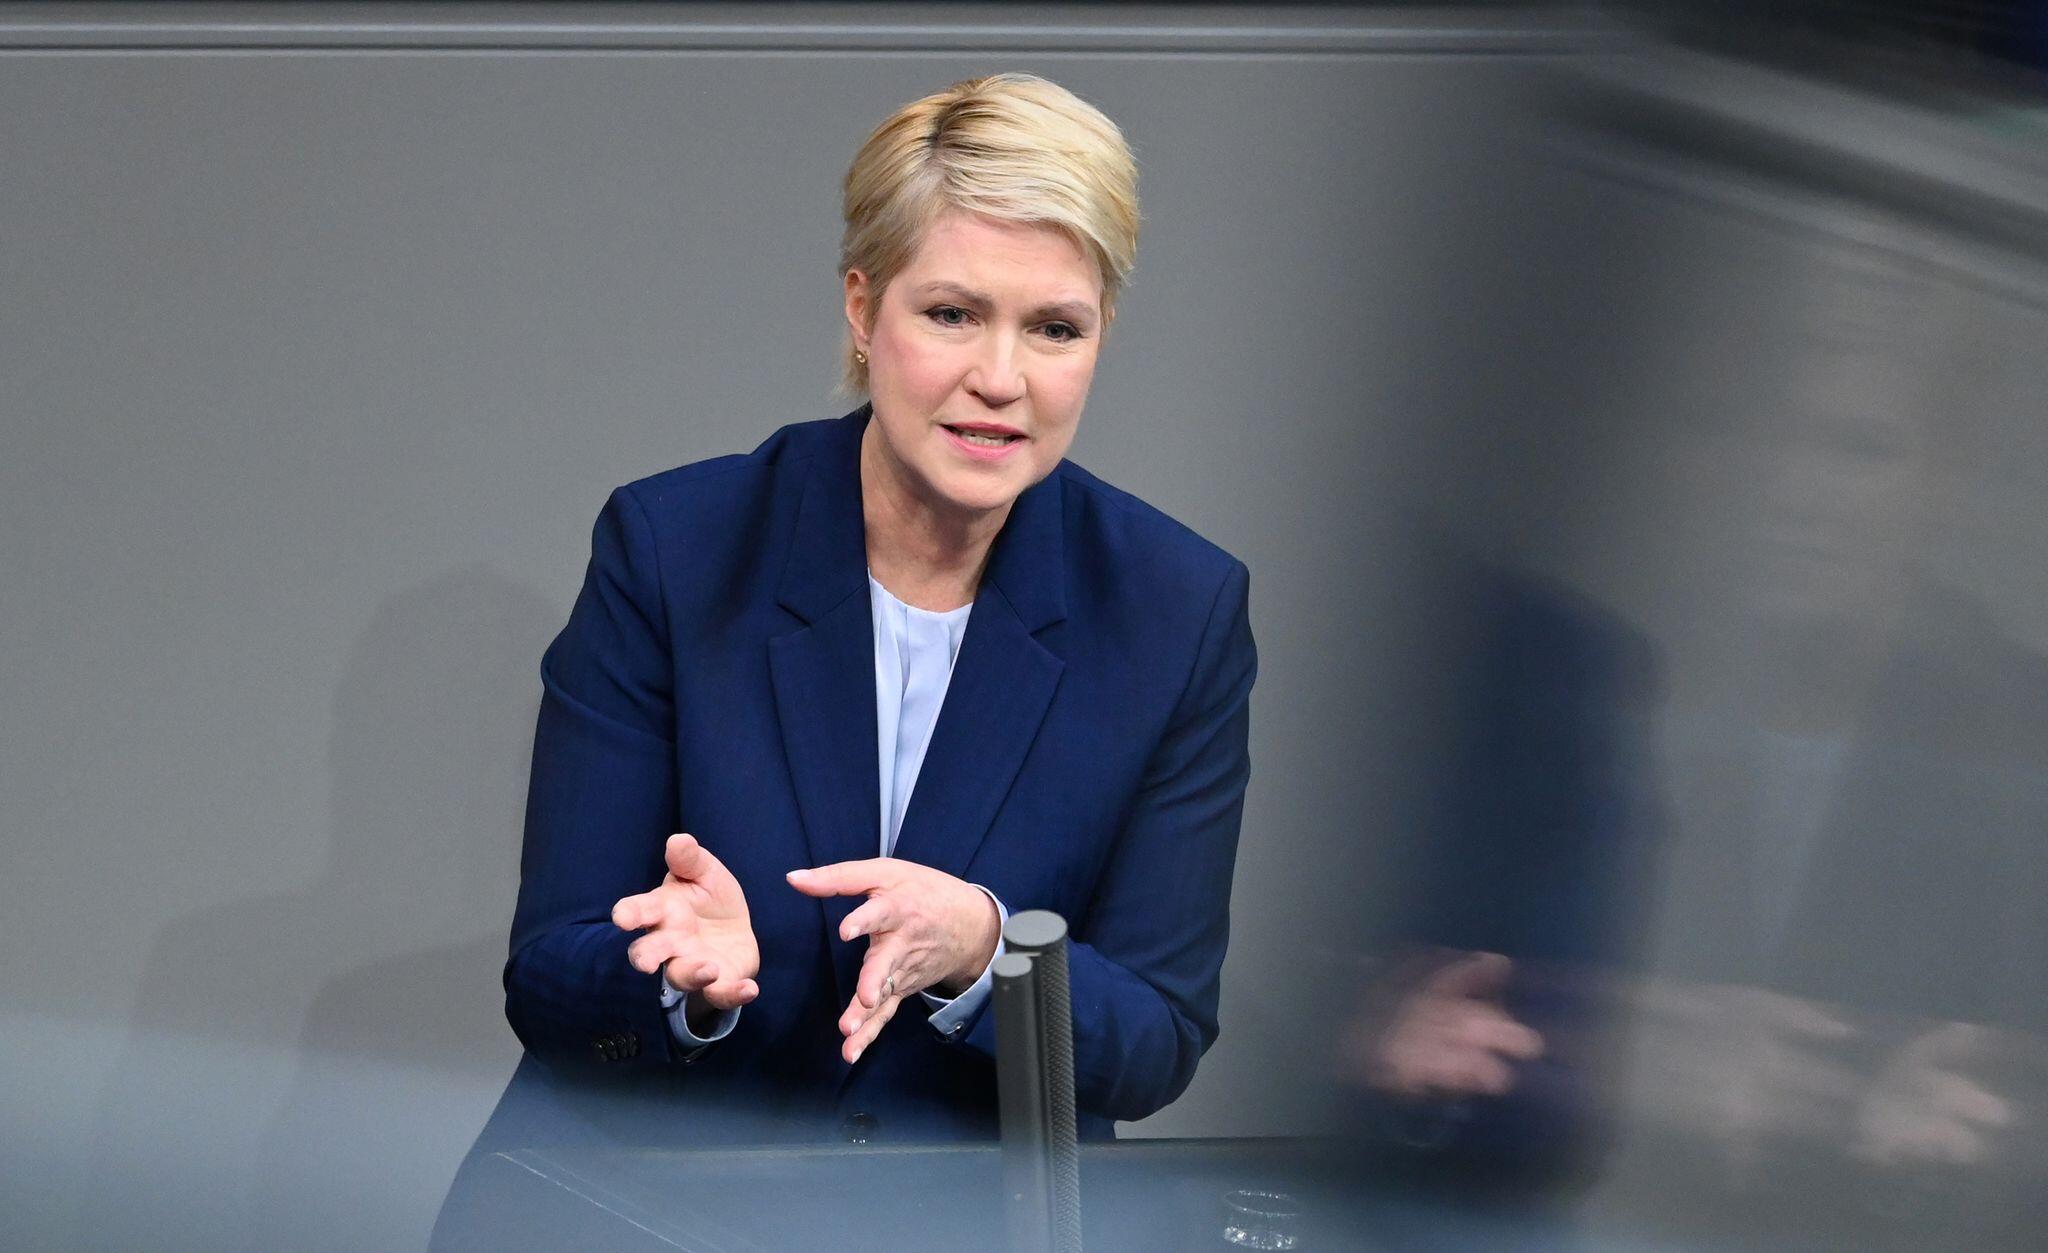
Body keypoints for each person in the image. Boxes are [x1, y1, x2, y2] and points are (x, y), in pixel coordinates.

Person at [487, 73, 1256, 1150]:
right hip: (650, 1198)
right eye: (952, 314)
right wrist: (673, 982)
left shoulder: (1177, 610)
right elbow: (548, 972)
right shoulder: (676, 550)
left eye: (1053, 328)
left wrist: (988, 950)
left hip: (960, 1217)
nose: (1001, 378)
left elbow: (1157, 1036)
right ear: (862, 307)